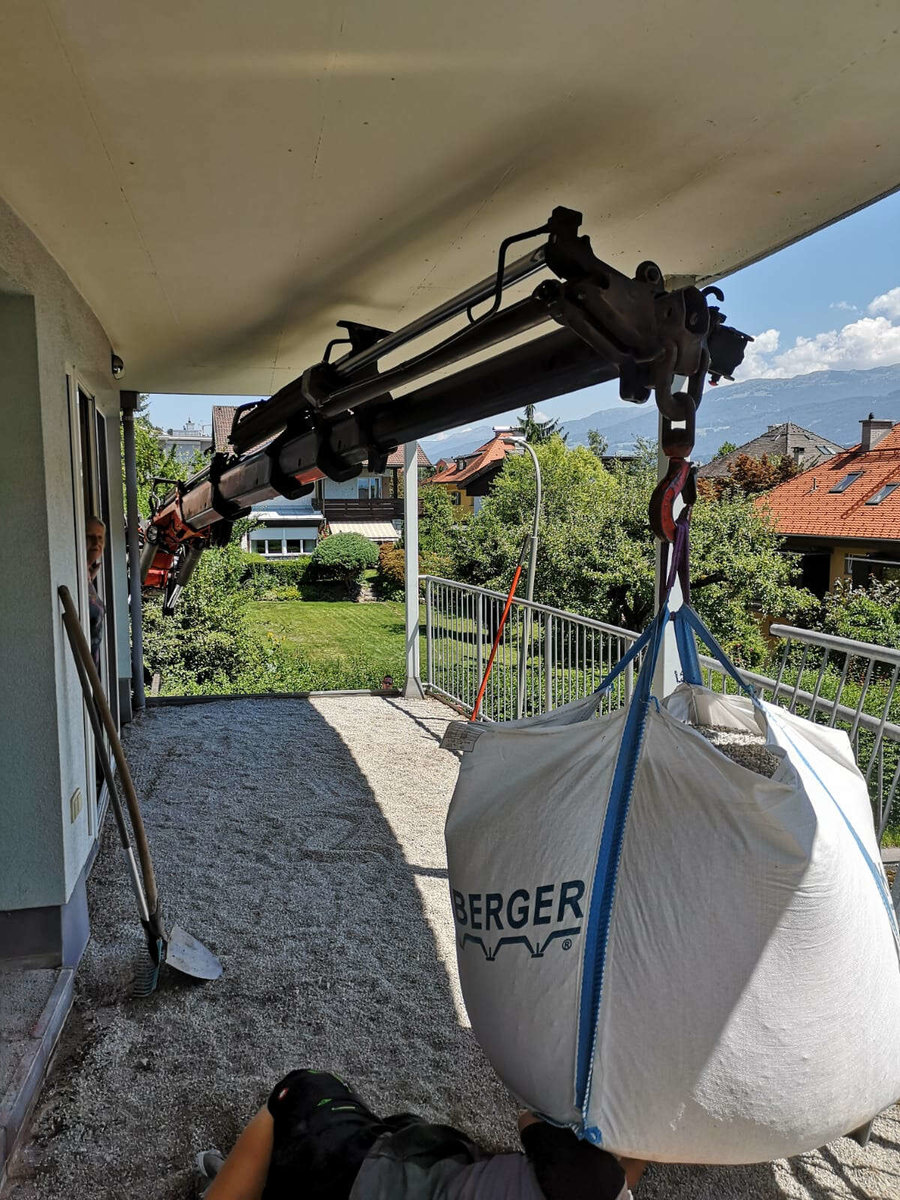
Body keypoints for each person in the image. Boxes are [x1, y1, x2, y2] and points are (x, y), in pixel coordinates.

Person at [196, 1068, 647, 1200]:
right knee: (405, 1125)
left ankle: (231, 1188)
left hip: (371, 1184)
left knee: (300, 1090)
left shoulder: (585, 1178)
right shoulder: (609, 1187)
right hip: (412, 1166)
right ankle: (263, 1173)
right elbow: (629, 1169)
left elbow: (531, 1118)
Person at [85, 515, 106, 670]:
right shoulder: (76, 571)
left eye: (100, 538)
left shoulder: (86, 575)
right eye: (90, 537)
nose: (96, 543)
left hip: (92, 668)